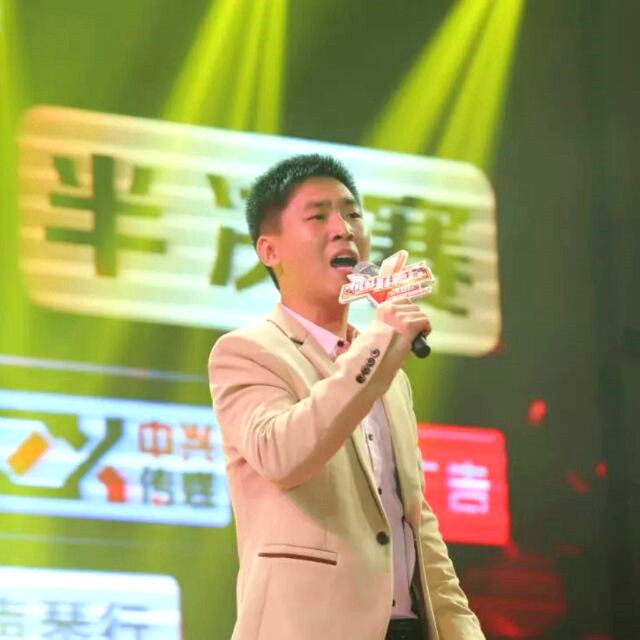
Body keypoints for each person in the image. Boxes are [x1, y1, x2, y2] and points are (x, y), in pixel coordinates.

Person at [208, 154, 485, 640]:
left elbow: (414, 518)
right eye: (318, 217)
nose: (344, 229)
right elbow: (282, 454)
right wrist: (378, 345)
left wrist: (462, 629)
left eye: (353, 214)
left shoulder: (388, 372)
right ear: (269, 250)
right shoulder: (247, 352)